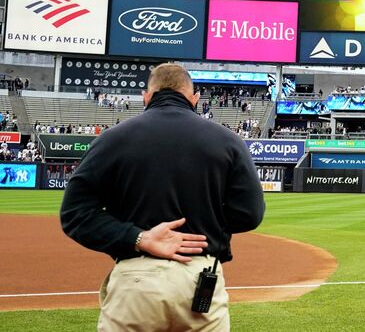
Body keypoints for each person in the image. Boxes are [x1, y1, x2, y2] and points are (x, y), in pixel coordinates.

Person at [60, 63, 265, 331]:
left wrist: (139, 237)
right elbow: (249, 214)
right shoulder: (227, 140)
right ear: (194, 99)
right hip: (200, 274)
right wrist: (206, 224)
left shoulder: (112, 139)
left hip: (134, 278)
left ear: (147, 96)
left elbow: (75, 214)